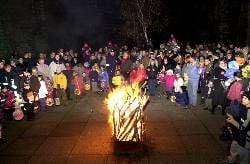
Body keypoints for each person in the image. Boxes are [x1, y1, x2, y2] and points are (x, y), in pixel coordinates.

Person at [226, 91, 250, 164]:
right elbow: (241, 120)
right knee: (233, 147)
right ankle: (230, 160)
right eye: (243, 97)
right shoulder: (245, 107)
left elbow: (243, 127)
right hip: (239, 135)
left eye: (245, 98)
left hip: (245, 139)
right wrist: (233, 118)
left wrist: (233, 121)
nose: (243, 99)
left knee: (244, 156)